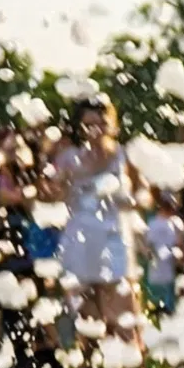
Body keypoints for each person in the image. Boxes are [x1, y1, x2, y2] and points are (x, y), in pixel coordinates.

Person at [53, 97, 139, 338]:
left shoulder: (125, 156)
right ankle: (89, 360)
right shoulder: (69, 159)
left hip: (115, 238)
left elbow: (143, 195)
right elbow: (53, 197)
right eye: (89, 124)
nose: (96, 130)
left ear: (112, 124)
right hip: (80, 240)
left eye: (101, 123)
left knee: (125, 321)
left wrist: (132, 200)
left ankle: (132, 360)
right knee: (88, 325)